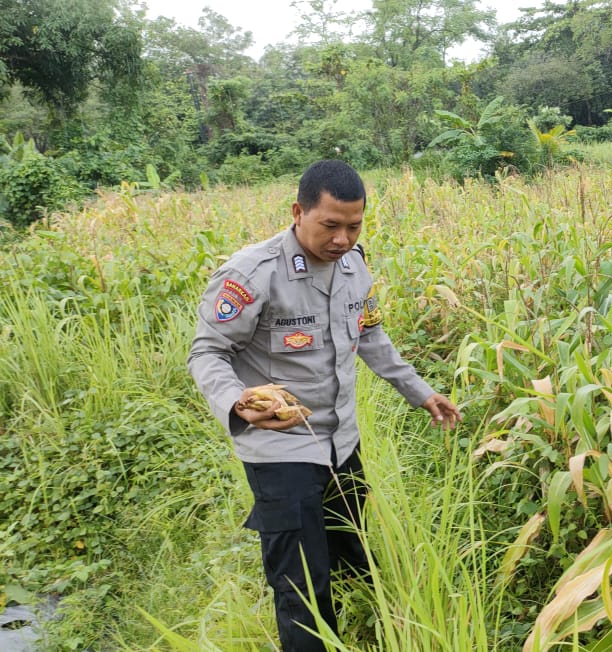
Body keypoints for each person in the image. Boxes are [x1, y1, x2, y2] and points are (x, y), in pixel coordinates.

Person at [187, 159, 460, 651]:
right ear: (298, 212)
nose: (342, 239)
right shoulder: (252, 274)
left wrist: (420, 391)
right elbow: (208, 351)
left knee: (351, 549)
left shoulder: (355, 267)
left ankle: (370, 634)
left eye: (354, 226)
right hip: (281, 447)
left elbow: (370, 336)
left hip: (341, 442)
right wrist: (236, 402)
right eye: (330, 225)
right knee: (301, 584)